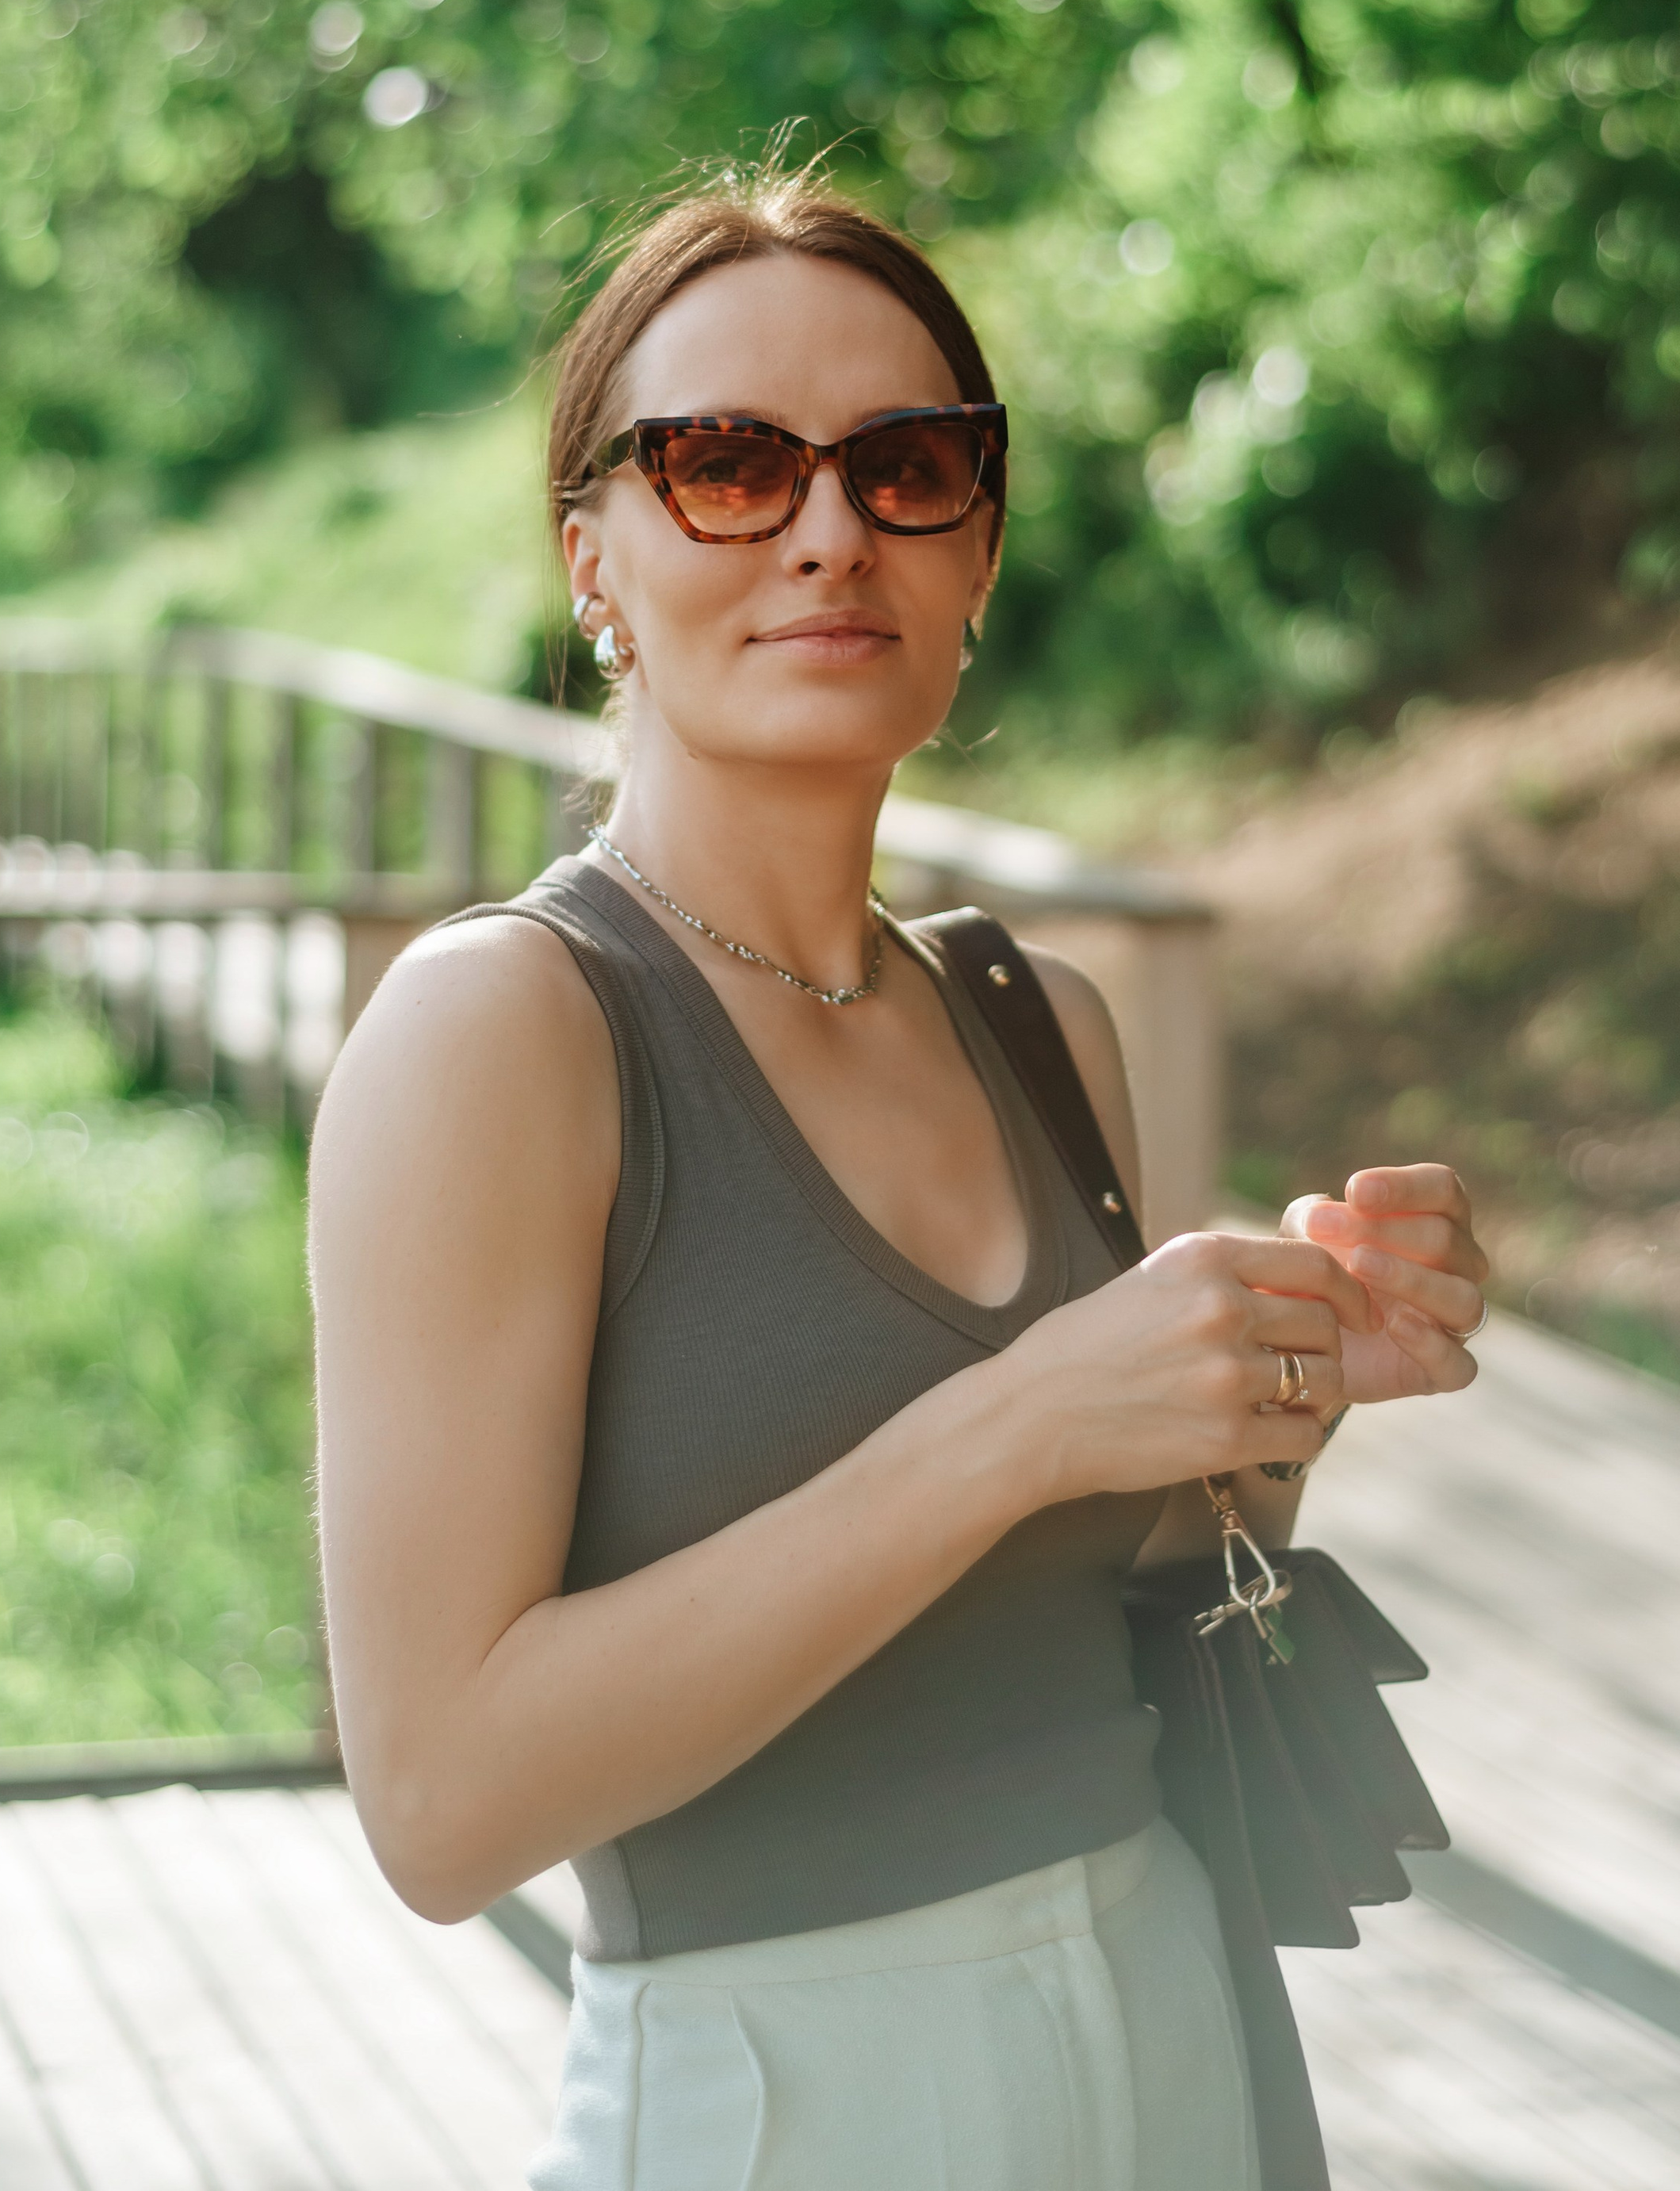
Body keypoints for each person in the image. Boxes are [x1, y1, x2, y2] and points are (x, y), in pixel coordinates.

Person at [308, 167, 1491, 2191]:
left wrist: (1273, 1383)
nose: (828, 530)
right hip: (785, 2095)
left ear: (978, 552)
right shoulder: (502, 1030)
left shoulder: (1036, 1018)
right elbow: (438, 1804)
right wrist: (1014, 1418)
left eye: (906, 464)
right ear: (593, 560)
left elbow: (1102, 1581)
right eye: (725, 465)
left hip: (1176, 2019)